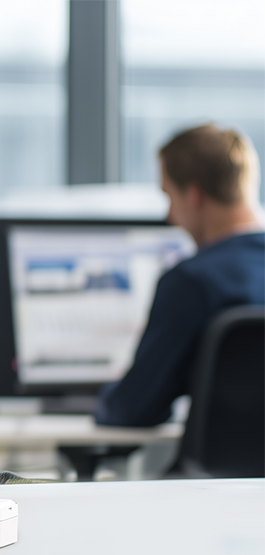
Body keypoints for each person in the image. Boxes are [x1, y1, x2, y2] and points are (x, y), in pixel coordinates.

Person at [94, 124, 264, 427]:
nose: (170, 216)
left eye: (169, 197)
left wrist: (103, 400)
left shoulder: (192, 283)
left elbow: (133, 410)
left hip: (213, 475)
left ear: (194, 195)